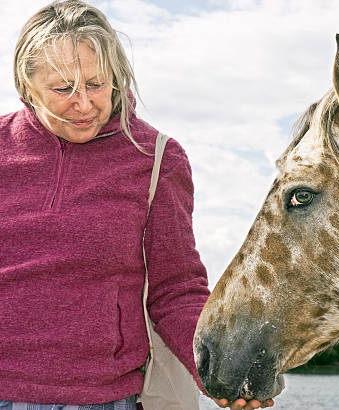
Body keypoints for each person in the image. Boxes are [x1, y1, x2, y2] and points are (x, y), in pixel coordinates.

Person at [0, 1, 273, 410]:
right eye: (62, 89)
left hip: (104, 400)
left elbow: (176, 289)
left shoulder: (157, 158)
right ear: (26, 85)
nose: (84, 104)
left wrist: (219, 371)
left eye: (96, 84)